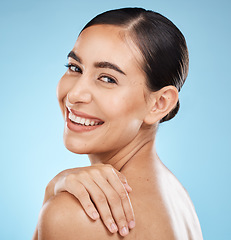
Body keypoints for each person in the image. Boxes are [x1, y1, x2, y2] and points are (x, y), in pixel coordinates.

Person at [33, 7, 203, 240]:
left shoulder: (76, 214)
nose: (74, 94)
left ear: (159, 104)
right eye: (75, 68)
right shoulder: (177, 197)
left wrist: (53, 206)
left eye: (107, 78)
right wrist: (51, 190)